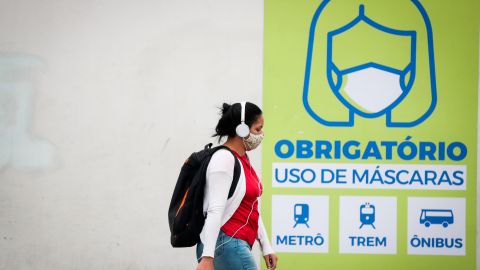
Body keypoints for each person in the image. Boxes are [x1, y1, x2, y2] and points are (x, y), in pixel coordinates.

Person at [196, 102, 278, 270]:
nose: (261, 135)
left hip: (235, 243)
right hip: (225, 243)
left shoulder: (243, 160)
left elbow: (251, 208)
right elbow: (215, 209)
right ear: (242, 129)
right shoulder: (224, 159)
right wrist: (207, 257)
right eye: (258, 129)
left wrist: (266, 246)